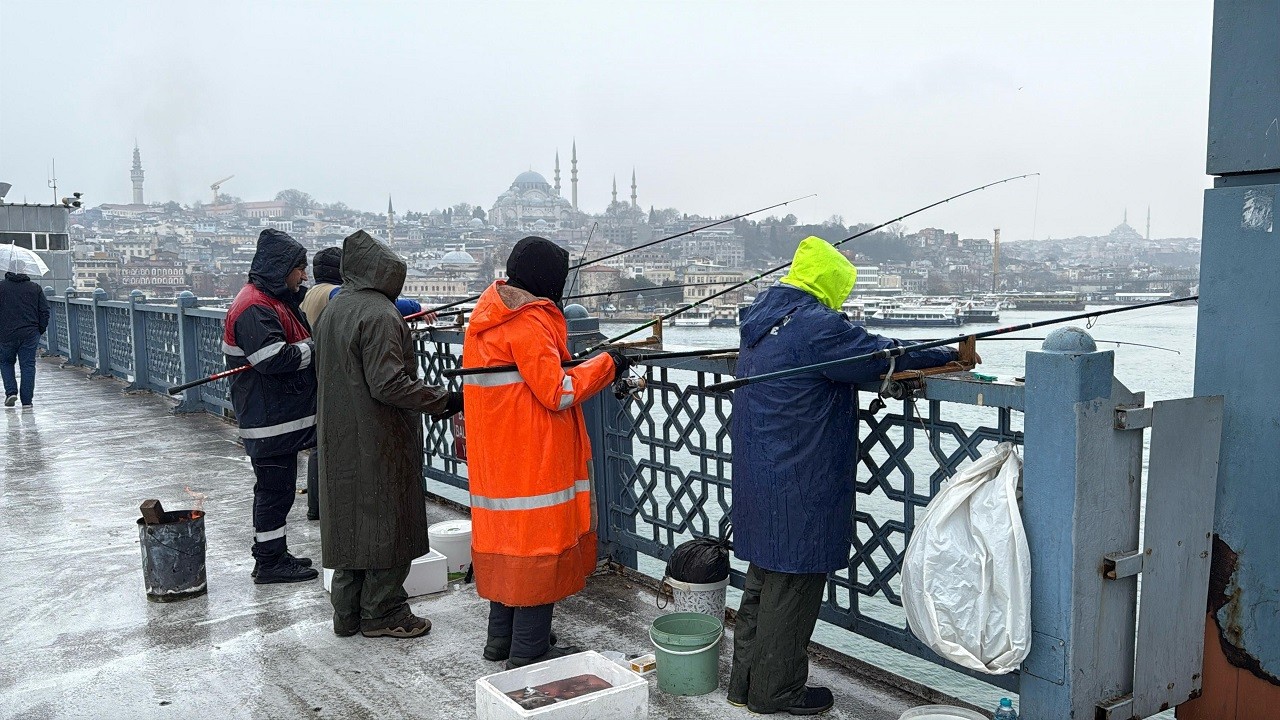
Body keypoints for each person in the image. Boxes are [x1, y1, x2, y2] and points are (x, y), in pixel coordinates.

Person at [727, 236, 968, 715]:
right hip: (799, 474)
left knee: (762, 579)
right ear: (830, 282)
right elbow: (880, 355)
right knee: (793, 585)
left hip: (760, 470)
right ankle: (777, 692)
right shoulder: (815, 325)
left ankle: (745, 685)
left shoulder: (762, 318)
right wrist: (941, 352)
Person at [462, 235, 624, 669]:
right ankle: (529, 650)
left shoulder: (486, 317)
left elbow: (528, 377)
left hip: (495, 458)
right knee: (537, 551)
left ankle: (501, 641)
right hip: (533, 457)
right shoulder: (529, 323)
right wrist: (608, 364)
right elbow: (558, 390)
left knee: (507, 547)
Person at [314, 230, 459, 638]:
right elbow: (389, 384)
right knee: (387, 525)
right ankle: (383, 612)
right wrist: (444, 400)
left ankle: (347, 614)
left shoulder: (334, 310)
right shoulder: (379, 314)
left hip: (338, 435)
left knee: (349, 526)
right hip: (377, 437)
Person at [299, 245, 430, 522]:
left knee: (320, 443)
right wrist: (416, 306)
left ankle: (317, 505)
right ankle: (333, 505)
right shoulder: (332, 293)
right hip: (342, 370)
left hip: (325, 367)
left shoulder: (310, 293)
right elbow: (374, 306)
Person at [222, 228, 319, 585]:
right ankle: (269, 561)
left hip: (278, 418)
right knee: (274, 491)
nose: (304, 276)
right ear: (282, 269)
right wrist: (317, 347)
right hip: (269, 421)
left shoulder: (271, 299)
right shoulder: (254, 307)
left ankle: (275, 552)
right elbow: (272, 359)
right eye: (299, 269)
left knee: (278, 490)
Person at [0, 270, 49, 409]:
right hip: (29, 333)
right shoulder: (35, 288)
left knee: (5, 362)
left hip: (5, 334)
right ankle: (27, 401)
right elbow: (44, 311)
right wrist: (40, 329)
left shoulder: (1, 287)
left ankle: (11, 392)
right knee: (27, 365)